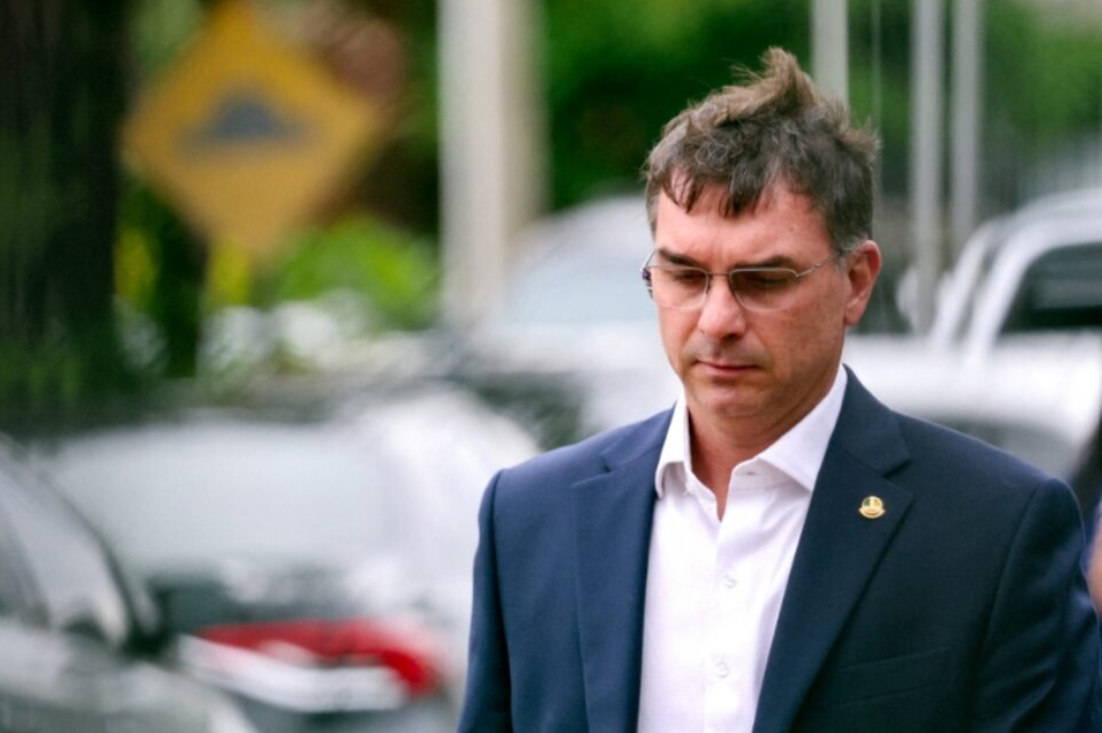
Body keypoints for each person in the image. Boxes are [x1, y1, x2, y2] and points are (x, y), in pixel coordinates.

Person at [457, 48, 1099, 733]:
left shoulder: (994, 529)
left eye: (763, 281)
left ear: (856, 281)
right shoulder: (531, 519)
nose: (717, 320)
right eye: (684, 276)